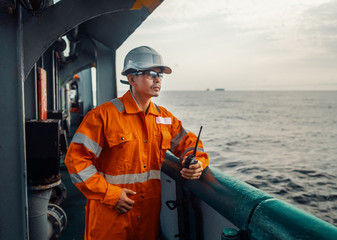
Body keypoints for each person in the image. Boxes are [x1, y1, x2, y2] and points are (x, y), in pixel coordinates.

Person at [64, 46, 209, 240]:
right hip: (110, 214)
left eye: (160, 75)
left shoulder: (165, 118)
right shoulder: (103, 116)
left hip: (147, 216)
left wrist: (197, 162)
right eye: (150, 73)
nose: (157, 79)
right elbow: (75, 161)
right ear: (131, 78)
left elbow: (189, 144)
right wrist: (110, 194)